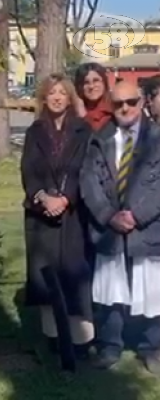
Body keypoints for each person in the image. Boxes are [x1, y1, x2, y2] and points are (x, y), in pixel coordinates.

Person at [81, 81, 160, 374]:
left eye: (130, 102)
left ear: (141, 103)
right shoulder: (99, 140)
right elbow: (88, 182)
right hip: (109, 229)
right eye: (118, 104)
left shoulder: (157, 137)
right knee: (110, 290)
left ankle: (151, 347)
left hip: (148, 228)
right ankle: (109, 346)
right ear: (111, 106)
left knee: (152, 289)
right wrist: (108, 215)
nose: (124, 108)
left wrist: (137, 216)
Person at [21, 74, 94, 359]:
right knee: (45, 277)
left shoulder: (83, 130)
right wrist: (43, 197)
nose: (57, 97)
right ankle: (53, 337)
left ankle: (81, 341)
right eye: (52, 92)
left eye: (62, 93)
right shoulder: (34, 131)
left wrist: (65, 199)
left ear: (70, 98)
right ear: (44, 97)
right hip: (42, 217)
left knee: (75, 276)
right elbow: (28, 170)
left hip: (73, 216)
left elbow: (85, 168)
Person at [74, 63, 112, 132]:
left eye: (96, 80)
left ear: (104, 82)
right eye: (86, 82)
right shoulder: (73, 112)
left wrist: (84, 117)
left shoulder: (115, 108)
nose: (91, 86)